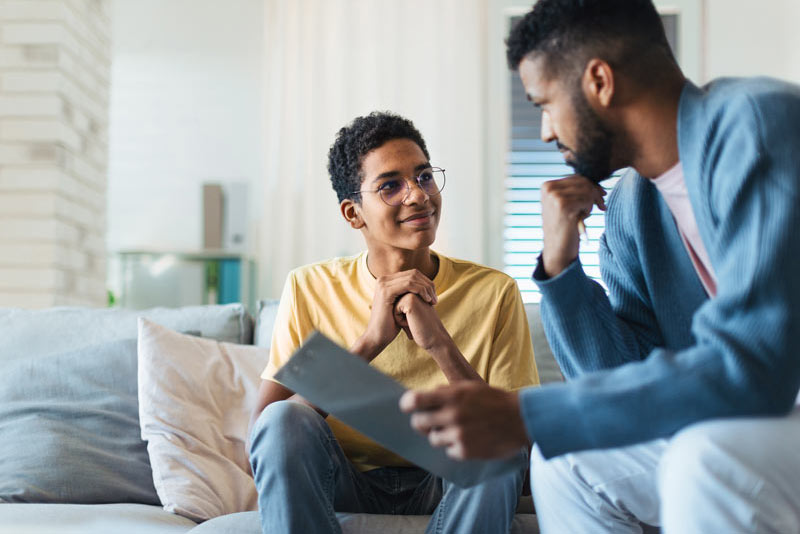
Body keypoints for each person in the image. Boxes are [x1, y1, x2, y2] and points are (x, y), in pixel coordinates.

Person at [399, 0, 800, 532]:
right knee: (565, 461)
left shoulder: (755, 125)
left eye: (545, 103)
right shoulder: (633, 205)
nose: (544, 131)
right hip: (751, 420)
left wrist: (527, 415)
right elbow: (618, 383)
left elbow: (757, 366)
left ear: (600, 82)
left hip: (767, 407)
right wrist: (561, 266)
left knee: (706, 457)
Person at [248, 111, 538, 534]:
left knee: (499, 442)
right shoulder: (309, 287)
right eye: (390, 186)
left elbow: (519, 445)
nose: (418, 196)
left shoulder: (494, 292)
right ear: (353, 213)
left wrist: (440, 345)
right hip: (344, 479)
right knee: (283, 419)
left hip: (447, 479)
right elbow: (262, 437)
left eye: (423, 177)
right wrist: (370, 341)